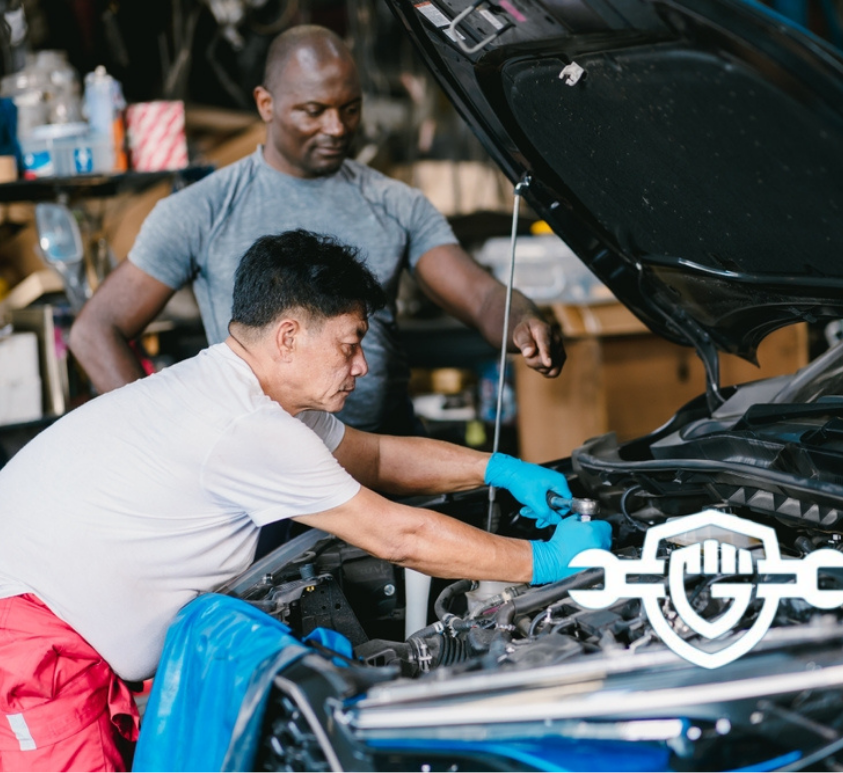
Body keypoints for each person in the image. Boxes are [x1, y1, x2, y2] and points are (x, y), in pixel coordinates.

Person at [0, 229, 609, 773]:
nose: (362, 365)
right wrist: (547, 562)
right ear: (288, 335)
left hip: (60, 633)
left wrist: (500, 470)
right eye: (350, 344)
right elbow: (399, 537)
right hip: (33, 647)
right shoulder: (245, 426)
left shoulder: (243, 392)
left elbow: (374, 457)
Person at [68, 24, 566, 436]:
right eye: (314, 111)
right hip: (265, 471)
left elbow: (479, 296)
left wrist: (522, 321)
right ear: (266, 105)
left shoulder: (395, 203)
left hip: (387, 456)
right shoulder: (202, 209)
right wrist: (163, 438)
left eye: (350, 109)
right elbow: (95, 331)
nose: (336, 128)